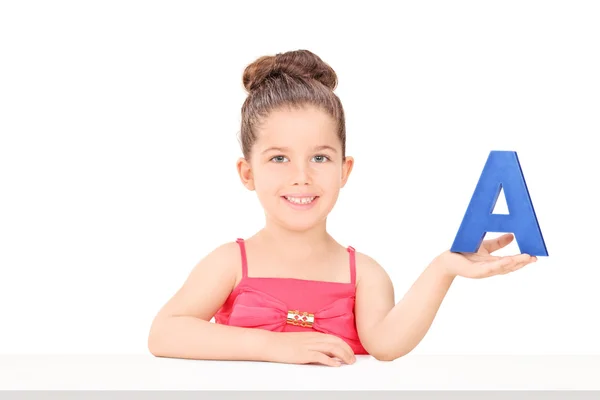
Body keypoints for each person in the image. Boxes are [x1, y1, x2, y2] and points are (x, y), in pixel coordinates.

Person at [147, 49, 537, 367]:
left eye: (320, 158)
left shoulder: (365, 274)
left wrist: (445, 268)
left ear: (344, 170)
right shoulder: (229, 263)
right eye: (279, 159)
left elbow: (385, 344)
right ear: (247, 173)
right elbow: (164, 333)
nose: (301, 177)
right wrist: (273, 346)